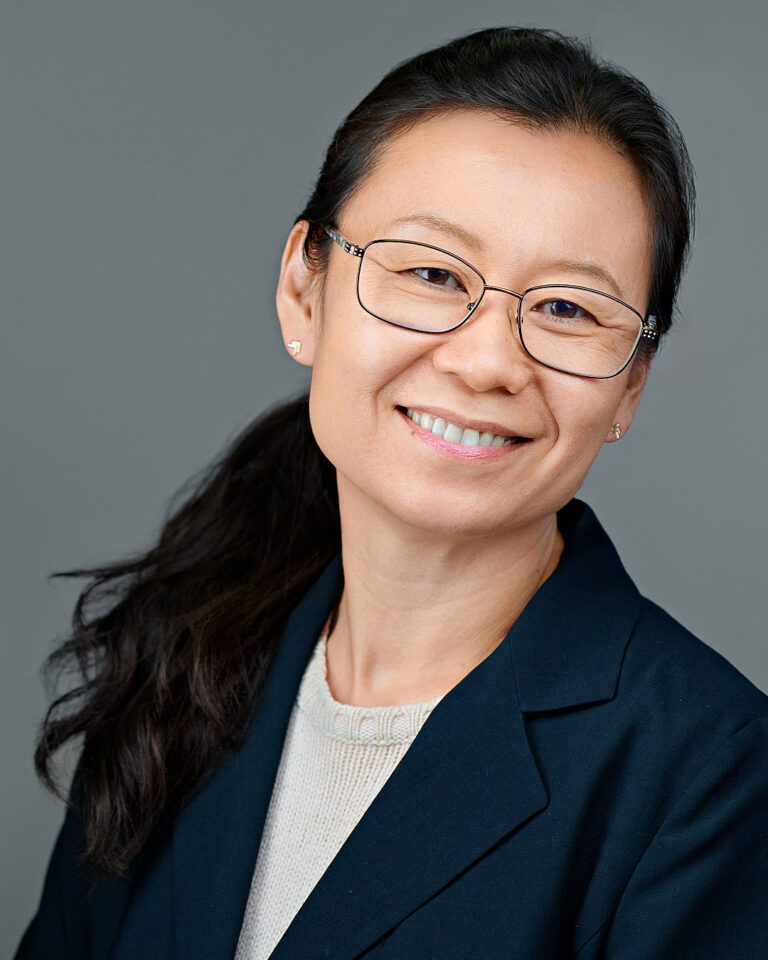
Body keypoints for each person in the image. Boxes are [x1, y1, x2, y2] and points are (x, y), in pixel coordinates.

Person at [14, 24, 768, 960]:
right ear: (304, 290)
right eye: (430, 273)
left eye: (569, 309)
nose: (489, 361)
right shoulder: (188, 664)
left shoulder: (710, 775)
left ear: (630, 385)